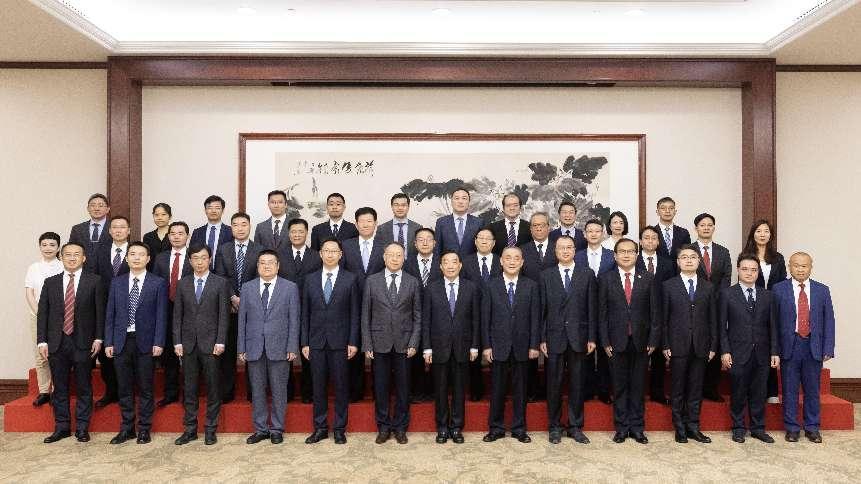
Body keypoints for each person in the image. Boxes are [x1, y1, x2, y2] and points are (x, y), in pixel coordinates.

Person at [37, 242, 104, 444]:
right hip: (57, 342)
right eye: (68, 254)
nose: (72, 258)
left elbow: (100, 312)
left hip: (84, 342)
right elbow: (43, 314)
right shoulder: (50, 282)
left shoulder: (95, 281)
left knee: (84, 386)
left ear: (84, 258)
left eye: (76, 254)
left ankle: (82, 428)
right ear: (61, 257)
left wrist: (99, 338)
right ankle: (62, 427)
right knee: (60, 387)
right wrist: (42, 341)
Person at [104, 242, 168, 445]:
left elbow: (161, 315)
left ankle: (144, 429)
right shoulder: (117, 282)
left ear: (148, 259)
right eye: (132, 254)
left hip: (146, 343)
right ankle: (127, 428)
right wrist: (109, 341)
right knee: (124, 387)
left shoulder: (158, 283)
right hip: (121, 342)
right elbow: (110, 314)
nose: (136, 258)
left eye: (141, 254)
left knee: (146, 388)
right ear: (126, 258)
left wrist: (159, 341)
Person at [599, 238, 660, 444]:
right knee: (619, 387)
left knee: (638, 387)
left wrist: (653, 339)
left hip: (641, 341)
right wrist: (605, 341)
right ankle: (621, 428)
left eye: (630, 251)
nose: (626, 255)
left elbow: (655, 312)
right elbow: (602, 314)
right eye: (622, 252)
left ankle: (637, 428)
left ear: (636, 255)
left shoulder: (648, 278)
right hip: (615, 342)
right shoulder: (606, 279)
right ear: (615, 256)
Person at [301, 239, 361, 445]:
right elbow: (305, 313)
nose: (329, 254)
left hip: (341, 342)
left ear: (340, 254)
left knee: (341, 386)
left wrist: (353, 341)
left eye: (334, 251)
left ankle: (339, 429)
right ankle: (320, 428)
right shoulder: (309, 279)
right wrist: (304, 342)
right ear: (320, 254)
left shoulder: (350, 279)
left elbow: (355, 313)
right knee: (318, 387)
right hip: (316, 341)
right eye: (326, 250)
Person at [362, 243, 422, 445]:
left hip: (405, 344)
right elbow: (365, 315)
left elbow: (417, 316)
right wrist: (367, 344)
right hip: (379, 342)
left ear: (404, 258)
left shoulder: (413, 282)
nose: (395, 259)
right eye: (391, 255)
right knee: (381, 388)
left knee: (403, 388)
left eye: (399, 255)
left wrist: (414, 342)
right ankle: (383, 427)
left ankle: (400, 427)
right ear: (384, 257)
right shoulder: (372, 281)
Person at [238, 250, 300, 445]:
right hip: (254, 346)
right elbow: (242, 320)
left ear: (278, 266)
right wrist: (241, 347)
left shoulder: (290, 288)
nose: (266, 266)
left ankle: (277, 429)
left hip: (280, 347)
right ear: (257, 266)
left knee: (279, 390)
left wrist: (292, 346)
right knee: (257, 390)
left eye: (271, 262)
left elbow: (294, 319)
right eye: (262, 262)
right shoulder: (247, 288)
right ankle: (261, 429)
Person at [773, 252, 835, 444]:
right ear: (789, 267)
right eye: (796, 265)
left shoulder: (822, 290)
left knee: (812, 390)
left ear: (811, 267)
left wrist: (828, 347)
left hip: (813, 346)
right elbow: (773, 323)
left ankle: (812, 427)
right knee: (789, 390)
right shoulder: (778, 289)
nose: (800, 269)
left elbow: (829, 320)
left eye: (804, 266)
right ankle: (792, 428)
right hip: (789, 346)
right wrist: (775, 349)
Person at [173, 245, 231, 446]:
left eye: (204, 258)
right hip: (188, 344)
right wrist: (177, 341)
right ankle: (190, 429)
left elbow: (224, 315)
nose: (199, 262)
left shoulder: (220, 283)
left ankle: (210, 429)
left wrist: (221, 340)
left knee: (213, 388)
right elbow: (177, 315)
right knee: (189, 388)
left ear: (210, 260)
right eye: (196, 258)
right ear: (190, 261)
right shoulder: (183, 283)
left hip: (212, 344)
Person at [540, 235, 596, 444]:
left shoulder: (587, 274)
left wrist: (592, 337)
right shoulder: (546, 275)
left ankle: (575, 426)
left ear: (575, 250)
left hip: (579, 337)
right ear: (555, 252)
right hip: (553, 337)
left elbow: (591, 307)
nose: (565, 251)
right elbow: (542, 310)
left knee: (577, 384)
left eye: (569, 247)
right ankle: (554, 427)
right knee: (553, 384)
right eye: (561, 248)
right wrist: (542, 337)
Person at [482, 246, 540, 444]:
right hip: (498, 345)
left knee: (520, 390)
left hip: (523, 345)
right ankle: (496, 428)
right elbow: (485, 318)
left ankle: (519, 428)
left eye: (516, 258)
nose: (512, 261)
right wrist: (486, 345)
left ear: (522, 262)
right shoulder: (491, 285)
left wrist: (534, 345)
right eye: (508, 258)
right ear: (501, 261)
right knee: (497, 389)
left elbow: (535, 318)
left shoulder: (531, 286)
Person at [720, 254, 779, 444]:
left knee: (759, 393)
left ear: (758, 272)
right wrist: (725, 351)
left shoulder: (768, 295)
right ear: (738, 270)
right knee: (738, 392)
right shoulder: (727, 294)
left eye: (753, 270)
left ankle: (758, 428)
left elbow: (773, 326)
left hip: (762, 353)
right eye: (745, 269)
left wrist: (774, 352)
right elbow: (721, 326)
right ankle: (738, 428)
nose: (749, 273)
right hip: (737, 352)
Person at [422, 250, 480, 444]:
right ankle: (442, 427)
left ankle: (456, 427)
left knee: (459, 390)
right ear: (440, 266)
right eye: (446, 262)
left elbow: (476, 319)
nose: (450, 266)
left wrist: (474, 346)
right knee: (440, 390)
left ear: (460, 265)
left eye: (454, 262)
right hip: (438, 347)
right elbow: (426, 320)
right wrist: (427, 347)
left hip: (463, 347)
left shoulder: (471, 288)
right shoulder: (432, 288)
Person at [663, 244, 717, 444]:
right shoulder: (668, 286)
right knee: (677, 389)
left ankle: (693, 426)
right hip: (677, 344)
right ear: (678, 262)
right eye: (684, 257)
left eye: (692, 257)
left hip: (701, 345)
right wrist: (665, 344)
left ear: (698, 261)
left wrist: (713, 346)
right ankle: (679, 428)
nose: (688, 260)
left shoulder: (708, 287)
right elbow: (663, 319)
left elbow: (713, 319)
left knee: (696, 389)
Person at [214, 212, 260, 403]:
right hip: (229, 307)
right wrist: (233, 296)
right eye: (236, 225)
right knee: (228, 351)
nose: (240, 228)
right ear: (231, 228)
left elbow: (260, 276)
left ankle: (253, 393)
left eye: (243, 224)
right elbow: (220, 276)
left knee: (253, 351)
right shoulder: (223, 249)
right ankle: (227, 392)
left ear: (249, 226)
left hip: (254, 308)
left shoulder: (259, 249)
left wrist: (246, 299)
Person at [342, 206, 387, 402]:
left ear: (375, 223)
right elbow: (342, 274)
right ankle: (355, 392)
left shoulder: (385, 245)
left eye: (370, 221)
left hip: (380, 305)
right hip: (352, 303)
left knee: (379, 349)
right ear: (356, 224)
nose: (366, 224)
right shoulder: (346, 245)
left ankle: (379, 392)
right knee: (354, 346)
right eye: (362, 221)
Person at [277, 218, 322, 403]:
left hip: (310, 311)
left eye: (300, 231)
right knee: (284, 354)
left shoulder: (316, 256)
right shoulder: (279, 255)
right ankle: (286, 393)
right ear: (288, 234)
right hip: (283, 311)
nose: (297, 235)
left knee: (308, 354)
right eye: (293, 231)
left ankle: (308, 394)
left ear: (306, 233)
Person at [742, 219, 787, 403]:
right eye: (759, 231)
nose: (762, 234)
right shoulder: (746, 255)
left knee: (771, 346)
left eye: (766, 231)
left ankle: (772, 391)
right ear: (753, 234)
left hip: (774, 305)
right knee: (753, 347)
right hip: (752, 306)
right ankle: (750, 391)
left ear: (771, 235)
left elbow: (783, 283)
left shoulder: (778, 258)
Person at [93, 215, 133, 407]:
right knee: (106, 352)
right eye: (114, 227)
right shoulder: (99, 251)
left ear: (129, 231)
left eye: (122, 227)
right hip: (104, 306)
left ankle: (128, 392)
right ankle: (110, 391)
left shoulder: (136, 251)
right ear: (109, 231)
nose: (118, 230)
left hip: (130, 307)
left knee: (128, 350)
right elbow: (94, 278)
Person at [151, 221, 193, 407]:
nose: (176, 236)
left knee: (189, 354)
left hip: (190, 310)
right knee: (169, 354)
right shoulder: (161, 258)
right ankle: (171, 393)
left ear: (187, 236)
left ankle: (189, 395)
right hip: (166, 309)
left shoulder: (194, 256)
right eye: (173, 233)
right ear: (168, 237)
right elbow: (154, 283)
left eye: (180, 233)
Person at [692, 213, 732, 403]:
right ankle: (695, 388)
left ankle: (711, 388)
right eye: (702, 225)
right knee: (696, 342)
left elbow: (726, 277)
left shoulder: (723, 252)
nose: (706, 228)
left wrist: (717, 299)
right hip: (694, 303)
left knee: (714, 341)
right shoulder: (688, 250)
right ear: (696, 228)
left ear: (714, 228)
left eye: (709, 225)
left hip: (716, 304)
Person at [576, 218, 616, 404]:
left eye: (597, 231)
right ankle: (587, 389)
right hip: (583, 309)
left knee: (605, 350)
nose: (593, 234)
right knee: (586, 351)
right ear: (584, 234)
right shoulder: (577, 256)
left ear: (603, 234)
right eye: (590, 231)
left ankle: (604, 390)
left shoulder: (611, 256)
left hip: (608, 309)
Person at [459, 228, 501, 401]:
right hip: (471, 313)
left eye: (488, 238)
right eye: (480, 238)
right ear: (475, 241)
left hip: (497, 313)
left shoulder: (502, 260)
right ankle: (476, 390)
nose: (484, 241)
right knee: (473, 352)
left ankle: (498, 392)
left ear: (494, 243)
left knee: (497, 352)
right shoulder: (465, 262)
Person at [637, 226, 676, 405]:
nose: (650, 241)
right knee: (639, 358)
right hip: (638, 315)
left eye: (654, 238)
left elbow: (672, 288)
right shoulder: (633, 259)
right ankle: (638, 393)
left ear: (659, 241)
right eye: (646, 237)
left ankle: (657, 393)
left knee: (659, 356)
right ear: (640, 241)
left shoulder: (668, 263)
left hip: (661, 313)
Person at [519, 212, 556, 402]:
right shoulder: (522, 250)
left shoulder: (558, 247)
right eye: (535, 225)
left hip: (555, 306)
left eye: (542, 225)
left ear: (549, 227)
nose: (539, 228)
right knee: (531, 347)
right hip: (528, 306)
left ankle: (550, 390)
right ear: (530, 228)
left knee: (553, 349)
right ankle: (531, 390)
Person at [403, 227, 442, 402]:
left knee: (438, 353)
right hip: (412, 315)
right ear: (415, 243)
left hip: (438, 315)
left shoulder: (443, 262)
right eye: (420, 239)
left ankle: (435, 391)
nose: (425, 242)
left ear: (434, 243)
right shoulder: (407, 263)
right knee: (416, 354)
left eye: (428, 239)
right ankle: (417, 391)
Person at [25, 232, 63, 407]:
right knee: (40, 355)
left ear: (58, 247)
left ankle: (57, 390)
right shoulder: (33, 268)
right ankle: (43, 391)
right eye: (44, 245)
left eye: (52, 245)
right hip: (37, 316)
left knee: (56, 355)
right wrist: (41, 315)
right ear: (40, 247)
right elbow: (29, 293)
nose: (48, 248)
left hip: (59, 318)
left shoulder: (63, 266)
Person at [434, 187, 483, 258]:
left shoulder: (478, 223)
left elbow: (483, 248)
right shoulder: (441, 222)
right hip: (448, 264)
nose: (460, 201)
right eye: (457, 198)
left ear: (469, 202)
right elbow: (437, 249)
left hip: (472, 264)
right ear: (451, 201)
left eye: (464, 198)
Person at [68, 193, 111, 273]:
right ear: (88, 208)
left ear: (108, 209)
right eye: (93, 205)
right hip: (83, 273)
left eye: (101, 205)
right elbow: (72, 250)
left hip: (109, 274)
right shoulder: (77, 229)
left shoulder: (115, 228)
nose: (96, 208)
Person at [189, 195, 233, 269]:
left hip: (224, 273)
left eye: (217, 208)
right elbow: (191, 254)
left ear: (223, 210)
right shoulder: (197, 232)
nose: (213, 211)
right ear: (205, 210)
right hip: (200, 271)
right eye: (210, 208)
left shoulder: (230, 231)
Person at [142, 202, 173, 269]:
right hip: (151, 271)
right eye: (156, 215)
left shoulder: (175, 235)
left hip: (171, 271)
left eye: (163, 214)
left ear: (170, 216)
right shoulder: (148, 237)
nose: (160, 218)